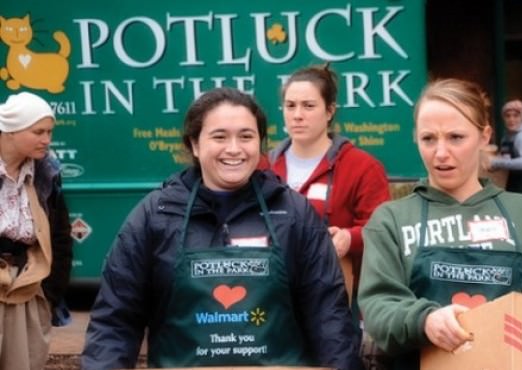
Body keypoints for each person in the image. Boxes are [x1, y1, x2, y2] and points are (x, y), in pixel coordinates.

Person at [81, 87, 361, 369]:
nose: (234, 149)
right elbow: (115, 320)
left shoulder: (294, 212)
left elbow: (329, 314)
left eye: (246, 136)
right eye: (219, 137)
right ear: (194, 144)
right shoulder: (156, 214)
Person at [357, 79, 522, 369]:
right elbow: (379, 307)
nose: (441, 152)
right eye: (429, 138)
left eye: (456, 137)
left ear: (484, 136)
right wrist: (426, 320)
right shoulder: (391, 220)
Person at [268, 64, 391, 301]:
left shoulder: (362, 167)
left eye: (309, 106)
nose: (297, 115)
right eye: (290, 106)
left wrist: (350, 237)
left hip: (340, 296)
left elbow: (383, 232)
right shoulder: (265, 167)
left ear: (330, 111)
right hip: (278, 298)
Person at [0, 92, 73, 370]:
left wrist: (50, 295)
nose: (47, 140)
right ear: (10, 131)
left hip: (29, 289)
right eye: (38, 131)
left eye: (49, 132)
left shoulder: (46, 174)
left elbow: (60, 237)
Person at [488, 99, 522, 198]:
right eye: (508, 116)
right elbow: (506, 158)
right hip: (511, 187)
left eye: (516, 116)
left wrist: (495, 162)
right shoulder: (506, 137)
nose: (511, 119)